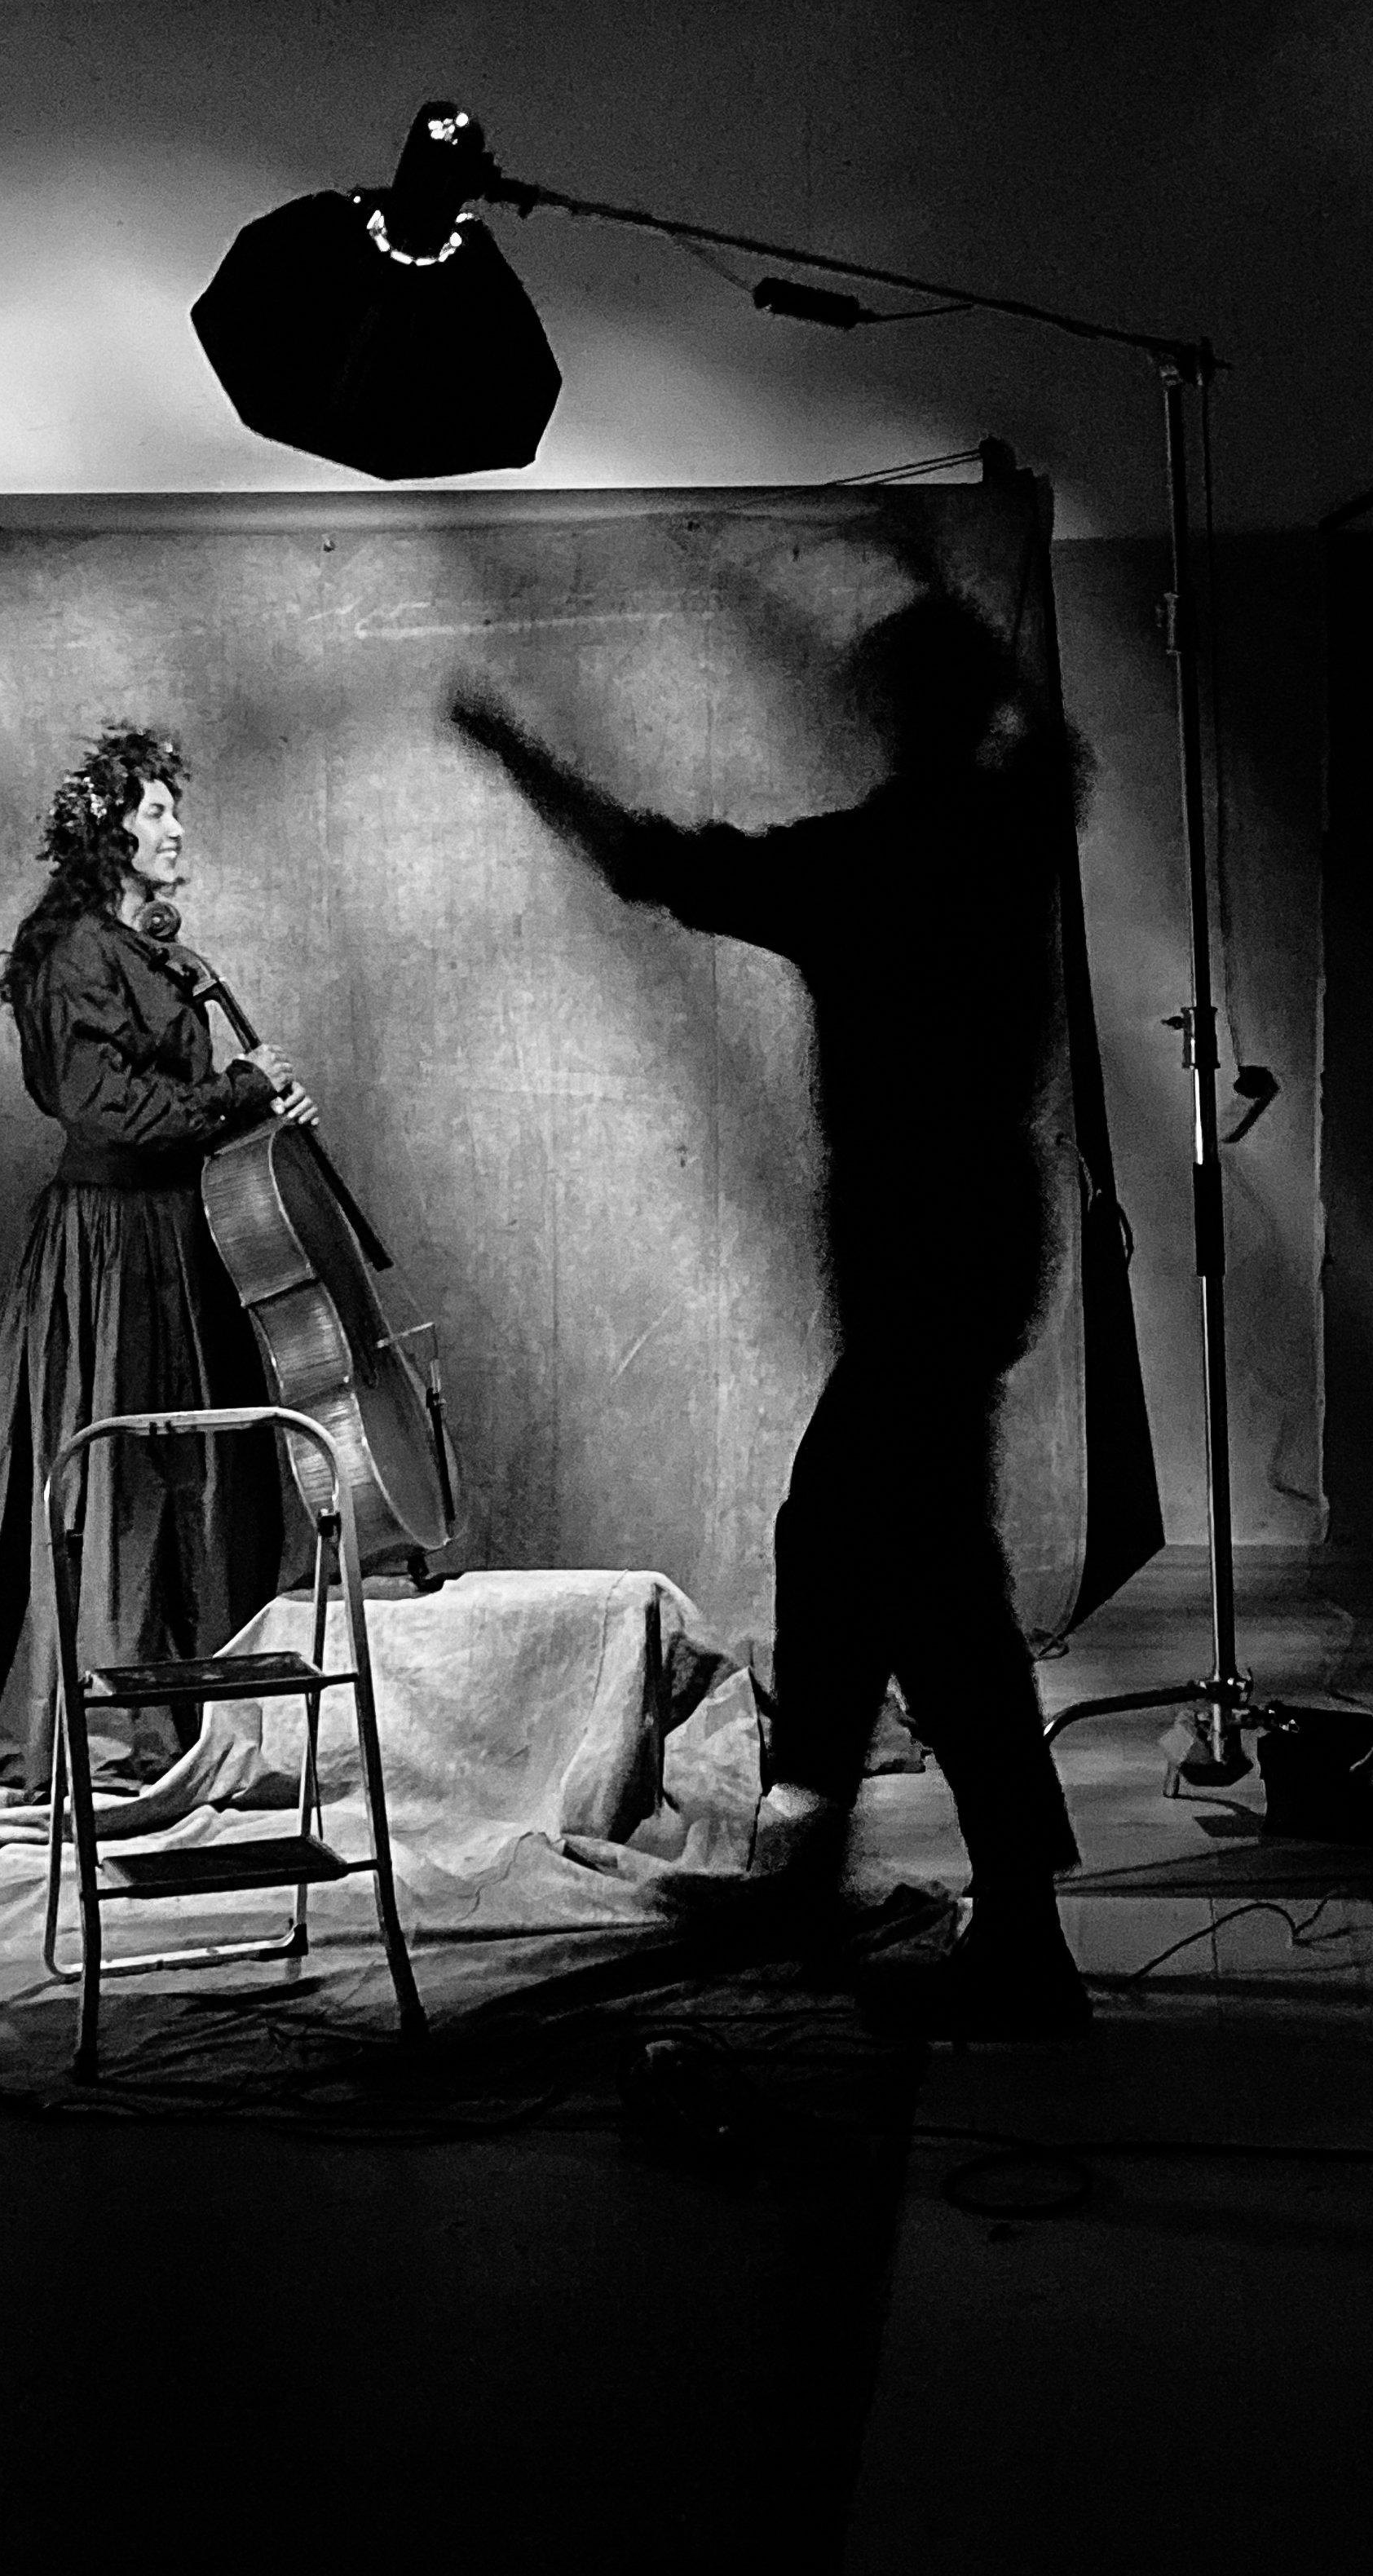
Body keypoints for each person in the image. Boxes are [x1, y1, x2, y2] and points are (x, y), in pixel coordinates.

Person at [448, 590, 1091, 2039]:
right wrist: (951, 592)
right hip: (982, 1240)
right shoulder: (1008, 824)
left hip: (923, 1254)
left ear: (899, 714)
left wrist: (514, 752)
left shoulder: (877, 860)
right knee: (854, 1538)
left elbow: (650, 864)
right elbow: (1056, 750)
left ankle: (1019, 1930)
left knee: (927, 1570)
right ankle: (840, 1863)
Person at [0, 725, 314, 1789]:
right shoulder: (80, 955)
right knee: (119, 1478)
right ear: (110, 831)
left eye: (177, 809)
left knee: (188, 1477)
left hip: (181, 1245)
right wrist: (239, 1090)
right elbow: (108, 1110)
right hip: (107, 1255)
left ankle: (184, 1703)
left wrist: (259, 1114)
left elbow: (177, 1113)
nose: (177, 828)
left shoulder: (155, 952)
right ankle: (99, 1714)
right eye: (156, 811)